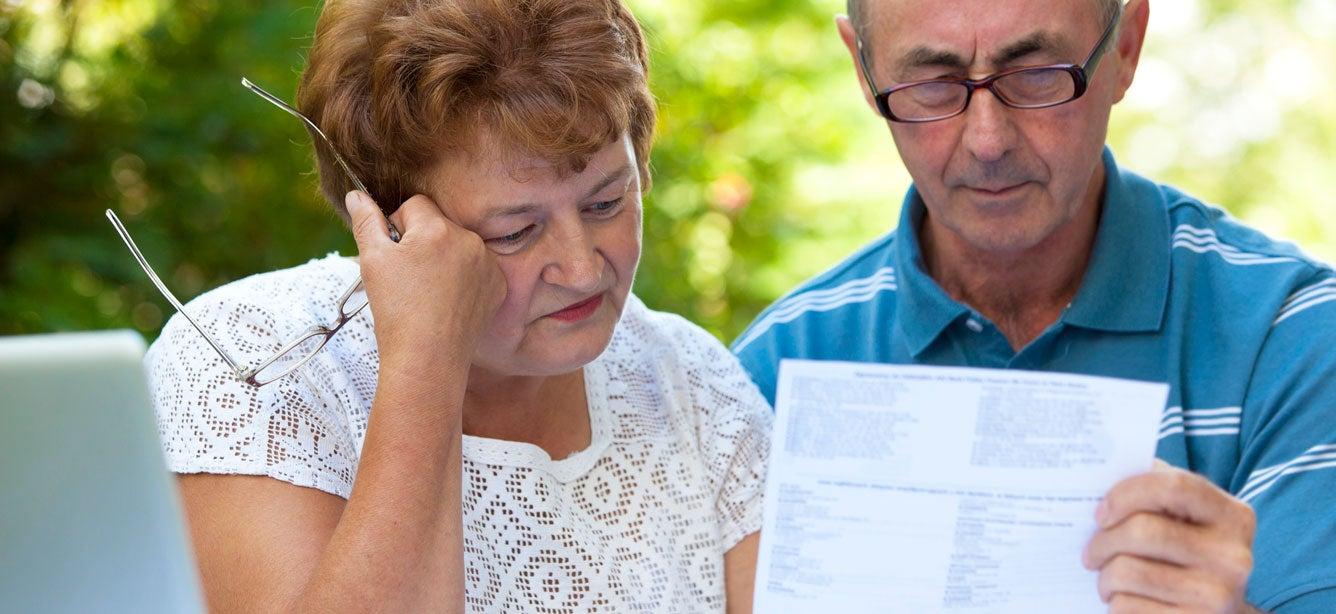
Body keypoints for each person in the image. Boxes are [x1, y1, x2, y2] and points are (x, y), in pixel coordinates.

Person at [143, 1, 770, 612]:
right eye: (514, 233)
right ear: (391, 230)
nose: (581, 268)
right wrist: (425, 355)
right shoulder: (246, 360)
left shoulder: (691, 380)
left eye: (605, 203)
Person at [732, 0, 1335, 611]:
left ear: (1125, 47)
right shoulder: (772, 374)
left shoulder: (1294, 337)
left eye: (1037, 73)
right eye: (934, 85)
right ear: (864, 72)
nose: (988, 140)